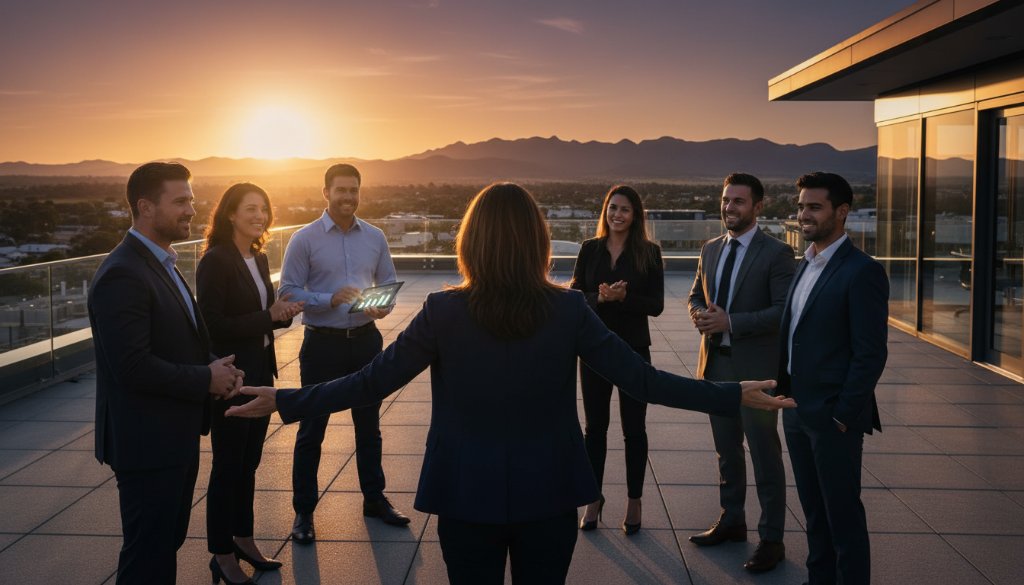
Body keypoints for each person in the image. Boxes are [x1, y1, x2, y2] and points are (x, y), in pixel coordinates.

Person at [227, 182, 796, 585]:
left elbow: (371, 382)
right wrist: (730, 391)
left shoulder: (443, 312)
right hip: (548, 494)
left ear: (471, 240)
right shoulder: (569, 309)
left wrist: (286, 399)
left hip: (464, 492)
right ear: (538, 240)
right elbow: (642, 382)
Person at [88, 162, 243, 585]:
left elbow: (182, 337)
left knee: (163, 545)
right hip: (146, 443)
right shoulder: (123, 273)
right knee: (147, 557)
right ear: (145, 207)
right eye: (180, 201)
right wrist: (203, 379)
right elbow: (131, 366)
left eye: (191, 199)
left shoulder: (164, 261)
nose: (191, 209)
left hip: (173, 435)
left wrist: (218, 368)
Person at [278, 163, 408, 544]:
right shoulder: (304, 239)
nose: (348, 197)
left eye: (354, 190)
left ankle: (374, 498)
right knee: (311, 428)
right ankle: (303, 512)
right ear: (326, 193)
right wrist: (327, 298)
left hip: (366, 340)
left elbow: (386, 284)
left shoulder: (375, 236)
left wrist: (381, 306)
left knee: (369, 427)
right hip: (322, 344)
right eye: (341, 190)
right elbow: (288, 293)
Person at [780, 172, 888, 585]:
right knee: (813, 515)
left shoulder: (862, 272)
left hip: (833, 419)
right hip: (795, 410)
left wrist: (843, 414)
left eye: (814, 207)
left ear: (841, 213)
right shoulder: (802, 263)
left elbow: (870, 353)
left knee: (842, 518)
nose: (804, 214)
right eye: (802, 206)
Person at [687, 173, 795, 572]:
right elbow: (696, 294)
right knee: (726, 451)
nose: (729, 207)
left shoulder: (777, 253)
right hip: (716, 365)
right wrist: (700, 314)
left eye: (738, 201)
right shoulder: (710, 248)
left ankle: (772, 539)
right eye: (726, 200)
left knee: (765, 453)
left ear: (758, 207)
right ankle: (732, 520)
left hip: (757, 372)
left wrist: (732, 321)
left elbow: (784, 311)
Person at [196, 183, 304, 584]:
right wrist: (268, 317)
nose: (259, 216)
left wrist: (283, 314)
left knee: (249, 464)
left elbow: (265, 314)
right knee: (227, 467)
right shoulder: (216, 260)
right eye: (250, 209)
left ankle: (243, 538)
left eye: (264, 209)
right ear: (230, 215)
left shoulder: (257, 258)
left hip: (261, 371)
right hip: (232, 376)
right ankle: (221, 554)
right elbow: (212, 326)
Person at [571, 185, 663, 535]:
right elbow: (576, 295)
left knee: (634, 429)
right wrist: (601, 297)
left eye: (625, 209)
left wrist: (624, 299)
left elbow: (655, 304)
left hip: (633, 350)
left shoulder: (649, 253)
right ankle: (593, 499)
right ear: (605, 211)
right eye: (612, 208)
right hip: (594, 349)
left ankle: (634, 500)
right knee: (595, 429)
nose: (617, 215)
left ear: (635, 215)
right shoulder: (589, 249)